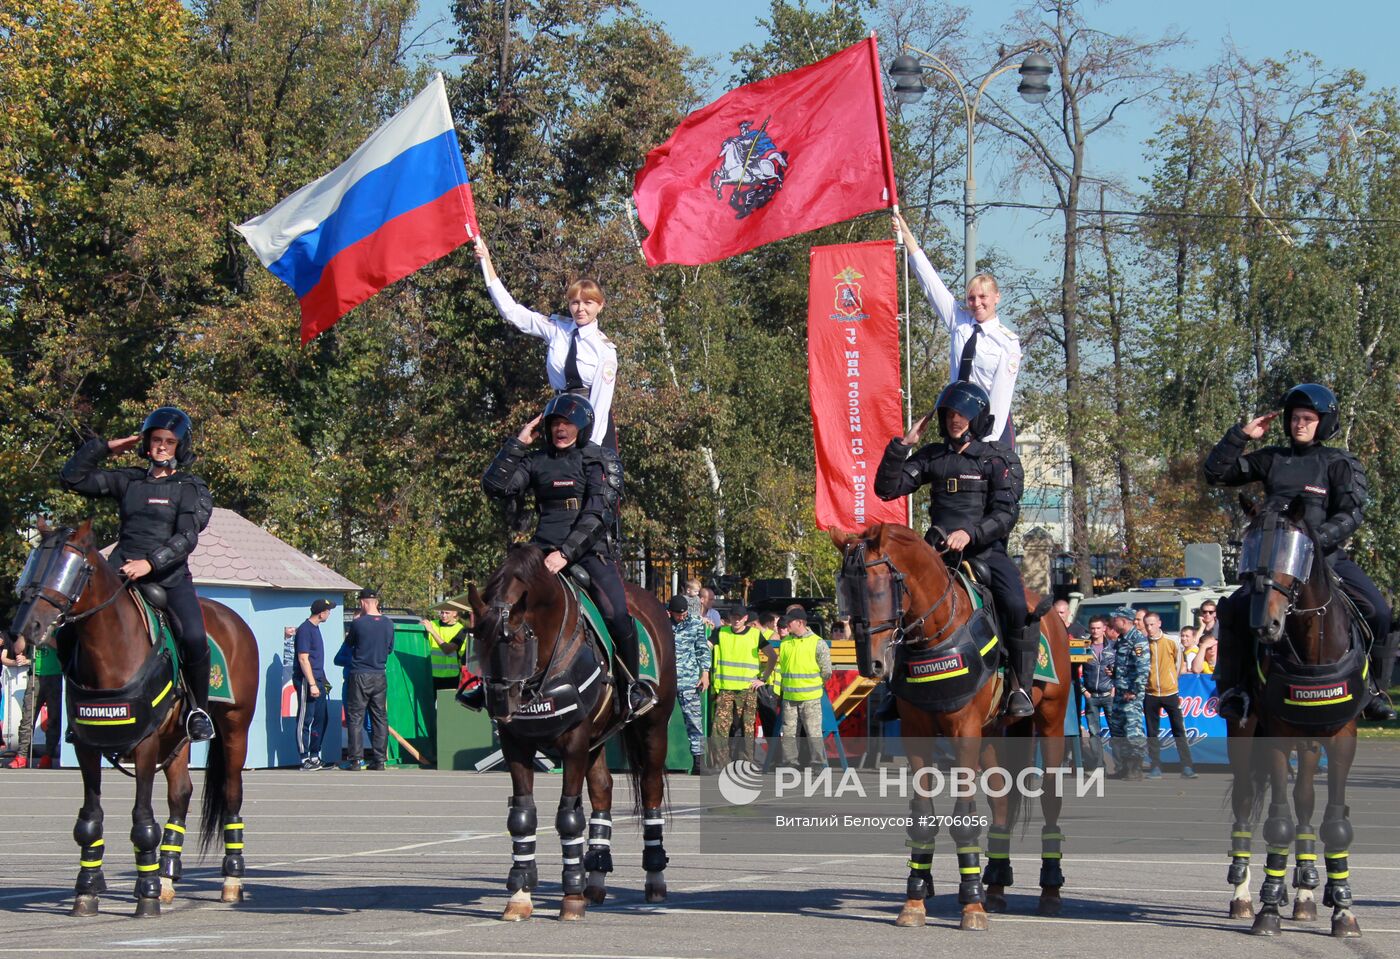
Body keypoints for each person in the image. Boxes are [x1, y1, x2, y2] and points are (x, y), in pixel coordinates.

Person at [1203, 383, 1395, 721]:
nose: (1300, 424)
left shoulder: (1339, 462)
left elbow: (1352, 513)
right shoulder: (1273, 458)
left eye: (1308, 418)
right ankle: (1237, 691)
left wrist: (1315, 540)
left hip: (1326, 558)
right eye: (1294, 418)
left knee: (1378, 610)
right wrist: (1241, 435)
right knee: (1233, 609)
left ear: (1323, 423)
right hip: (1276, 561)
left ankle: (1374, 691)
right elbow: (1216, 473)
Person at [479, 393, 656, 718]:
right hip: (540, 550)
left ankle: (631, 686)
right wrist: (517, 443)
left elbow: (598, 513)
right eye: (555, 423)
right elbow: (495, 487)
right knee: (500, 603)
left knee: (616, 612)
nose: (560, 429)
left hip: (589, 552)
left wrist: (566, 553)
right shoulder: (535, 461)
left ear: (582, 427)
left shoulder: (599, 459)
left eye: (568, 423)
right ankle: (490, 683)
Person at [874, 381, 1037, 717]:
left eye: (963, 413)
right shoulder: (932, 456)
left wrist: (972, 533)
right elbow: (886, 489)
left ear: (977, 418)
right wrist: (902, 446)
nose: (955, 419)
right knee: (898, 600)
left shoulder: (997, 460)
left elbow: (1007, 513)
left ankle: (1018, 686)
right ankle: (897, 686)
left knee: (1016, 604)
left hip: (985, 551)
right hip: (936, 552)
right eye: (950, 413)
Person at [60, 407, 216, 742]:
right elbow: (71, 477)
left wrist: (150, 564)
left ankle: (197, 710)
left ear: (180, 447)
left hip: (168, 578)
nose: (161, 446)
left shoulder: (191, 487)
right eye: (156, 439)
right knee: (67, 632)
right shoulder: (128, 480)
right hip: (119, 575)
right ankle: (81, 709)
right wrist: (107, 447)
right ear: (146, 442)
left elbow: (187, 537)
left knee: (193, 637)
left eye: (169, 442)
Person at [474, 237, 619, 451]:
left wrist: (590, 450)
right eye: (575, 303)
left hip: (591, 423)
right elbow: (511, 312)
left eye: (588, 303)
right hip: (560, 417)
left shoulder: (605, 349)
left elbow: (600, 401)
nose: (580, 309)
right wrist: (486, 263)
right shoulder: (556, 329)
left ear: (600, 306)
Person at [893, 212, 1021, 444]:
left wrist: (985, 442)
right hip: (958, 418)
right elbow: (931, 285)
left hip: (991, 421)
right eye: (971, 298)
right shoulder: (960, 322)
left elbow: (1001, 396)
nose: (977, 303)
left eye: (983, 297)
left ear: (997, 298)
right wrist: (907, 237)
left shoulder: (1007, 342)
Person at [342, 588, 393, 770]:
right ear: (377, 602)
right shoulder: (388, 623)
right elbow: (389, 649)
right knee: (380, 717)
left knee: (356, 717)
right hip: (380, 673)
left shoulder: (358, 624)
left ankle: (356, 759)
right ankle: (380, 759)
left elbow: (349, 644)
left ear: (363, 602)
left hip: (360, 673)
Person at [774, 609, 832, 770]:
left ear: (800, 622)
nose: (787, 625)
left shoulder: (817, 643)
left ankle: (818, 763)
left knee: (813, 731)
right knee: (788, 732)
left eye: (790, 622)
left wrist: (815, 685)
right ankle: (789, 762)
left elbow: (827, 671)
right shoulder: (785, 643)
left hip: (810, 697)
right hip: (790, 696)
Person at [710, 608, 768, 764]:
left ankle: (747, 760)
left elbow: (773, 656)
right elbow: (705, 648)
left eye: (739, 617)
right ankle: (720, 762)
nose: (736, 620)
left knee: (747, 727)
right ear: (729, 617)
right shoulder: (720, 632)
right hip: (725, 688)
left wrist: (764, 678)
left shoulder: (755, 634)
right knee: (720, 726)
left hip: (747, 690)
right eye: (733, 617)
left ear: (745, 618)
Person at [1142, 612, 1196, 779]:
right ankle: (1155, 765)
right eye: (1147, 625)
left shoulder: (1172, 641)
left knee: (1178, 729)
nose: (1149, 628)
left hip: (1170, 692)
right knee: (1152, 732)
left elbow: (1179, 663)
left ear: (1159, 623)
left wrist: (1172, 680)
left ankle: (1187, 766)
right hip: (1150, 693)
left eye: (1152, 624)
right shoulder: (1143, 644)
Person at [668, 595, 711, 774]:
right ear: (670, 612)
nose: (682, 617)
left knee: (694, 722)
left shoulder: (695, 623)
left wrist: (705, 673)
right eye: (678, 614)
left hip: (689, 680)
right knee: (660, 721)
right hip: (667, 680)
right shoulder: (662, 622)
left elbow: (702, 649)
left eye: (684, 613)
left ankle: (699, 762)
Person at [1107, 607, 1151, 780]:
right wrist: (1114, 671)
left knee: (1133, 730)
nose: (1112, 623)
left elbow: (1143, 668)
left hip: (1131, 693)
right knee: (1118, 729)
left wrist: (1134, 690)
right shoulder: (1122, 639)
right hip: (1120, 690)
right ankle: (1124, 767)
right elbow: (1125, 664)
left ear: (1124, 621)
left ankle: (1136, 768)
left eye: (1115, 619)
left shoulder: (1137, 639)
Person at [294, 599, 335, 770]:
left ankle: (315, 755)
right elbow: (303, 659)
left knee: (322, 718)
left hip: (318, 679)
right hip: (307, 680)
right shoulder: (305, 630)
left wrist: (322, 682)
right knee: (306, 719)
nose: (329, 613)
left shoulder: (316, 629)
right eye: (328, 610)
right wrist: (311, 684)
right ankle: (304, 759)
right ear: (321, 613)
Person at [1079, 616, 1115, 772]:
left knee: (1115, 731)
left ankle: (1119, 765)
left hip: (1109, 695)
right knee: (1094, 733)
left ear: (1104, 628)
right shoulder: (1084, 647)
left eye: (1098, 628)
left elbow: (1121, 669)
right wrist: (1084, 691)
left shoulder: (1113, 647)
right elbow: (1073, 671)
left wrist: (1114, 688)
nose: (1095, 631)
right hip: (1091, 696)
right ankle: (1099, 765)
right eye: (1092, 628)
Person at [421, 606, 467, 692]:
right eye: (442, 612)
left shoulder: (461, 630)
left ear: (455, 613)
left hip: (450, 677)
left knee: (445, 704)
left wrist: (432, 631)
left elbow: (447, 650)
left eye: (447, 613)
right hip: (431, 675)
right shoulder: (432, 624)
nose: (443, 615)